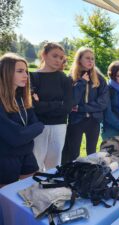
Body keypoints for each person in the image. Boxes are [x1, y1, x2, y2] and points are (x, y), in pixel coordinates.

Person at [0, 53, 44, 187]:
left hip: (27, 153)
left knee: (32, 190)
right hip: (5, 158)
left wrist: (31, 129)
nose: (26, 75)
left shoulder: (21, 98)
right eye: (20, 71)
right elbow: (15, 136)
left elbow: (35, 124)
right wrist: (36, 127)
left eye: (25, 71)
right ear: (6, 73)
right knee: (6, 200)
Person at [62, 47, 109, 164]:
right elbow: (72, 101)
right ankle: (73, 176)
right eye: (87, 58)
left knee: (92, 152)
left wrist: (81, 108)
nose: (91, 61)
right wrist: (81, 82)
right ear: (79, 60)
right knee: (73, 153)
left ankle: (90, 175)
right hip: (76, 121)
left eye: (92, 59)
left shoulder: (100, 79)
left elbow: (103, 103)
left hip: (94, 121)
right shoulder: (71, 78)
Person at [30, 42, 73, 171]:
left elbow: (67, 107)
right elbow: (33, 106)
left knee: (54, 165)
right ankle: (34, 190)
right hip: (38, 126)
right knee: (35, 163)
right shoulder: (33, 77)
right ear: (44, 55)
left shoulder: (64, 79)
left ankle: (52, 190)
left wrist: (42, 105)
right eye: (55, 56)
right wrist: (57, 104)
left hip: (59, 126)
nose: (58, 60)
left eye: (61, 58)